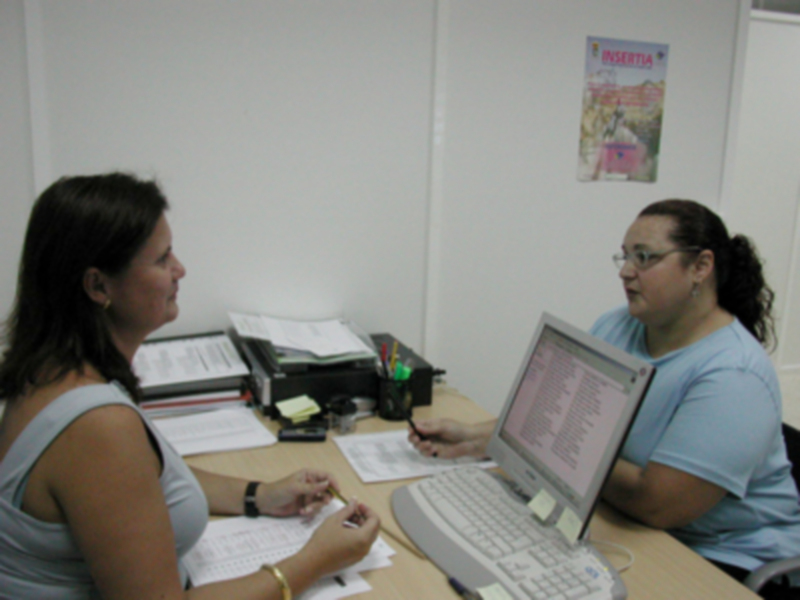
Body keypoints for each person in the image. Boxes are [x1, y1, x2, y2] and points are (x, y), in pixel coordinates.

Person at [0, 173, 380, 600]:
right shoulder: (97, 426)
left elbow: (144, 481)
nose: (180, 270)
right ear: (98, 285)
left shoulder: (49, 369)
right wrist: (316, 560)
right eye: (162, 260)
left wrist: (260, 494)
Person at [409, 199, 800, 599]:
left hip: (720, 556)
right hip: (624, 520)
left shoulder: (735, 376)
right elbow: (556, 418)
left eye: (644, 257)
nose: (626, 271)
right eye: (625, 255)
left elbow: (656, 505)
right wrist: (475, 437)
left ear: (701, 267)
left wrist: (557, 448)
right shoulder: (620, 324)